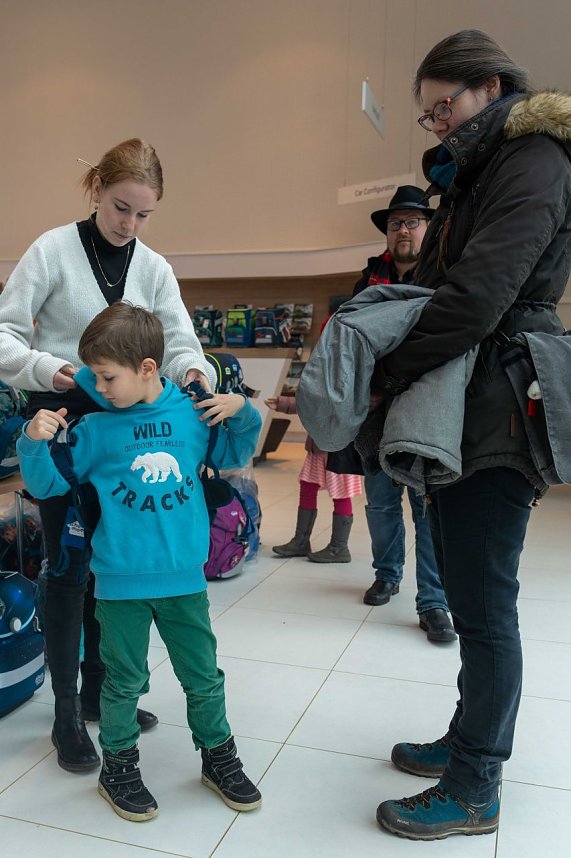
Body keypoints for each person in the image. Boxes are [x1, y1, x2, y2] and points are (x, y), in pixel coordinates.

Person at [372, 30, 571, 840]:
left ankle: (476, 782)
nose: (435, 125)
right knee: (457, 582)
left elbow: (478, 295)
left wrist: (388, 371)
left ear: (489, 87)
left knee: (484, 604)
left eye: (441, 107)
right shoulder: (482, 170)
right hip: (468, 394)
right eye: (425, 118)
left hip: (499, 396)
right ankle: (465, 740)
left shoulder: (535, 161)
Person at [0, 139, 216, 773]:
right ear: (97, 189)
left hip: (130, 432)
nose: (129, 224)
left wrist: (197, 376)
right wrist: (53, 367)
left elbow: (178, 341)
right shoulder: (51, 250)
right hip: (64, 419)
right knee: (68, 565)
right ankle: (66, 712)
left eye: (143, 214)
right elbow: (4, 334)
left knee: (113, 563)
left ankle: (100, 688)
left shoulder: (152, 266)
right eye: (121, 207)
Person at [17, 303, 263, 822]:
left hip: (184, 582)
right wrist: (32, 442)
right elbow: (48, 486)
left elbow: (237, 449)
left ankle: (218, 756)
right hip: (119, 582)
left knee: (203, 677)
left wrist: (242, 409)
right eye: (97, 377)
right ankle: (120, 767)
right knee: (122, 680)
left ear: (148, 369)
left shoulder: (192, 415)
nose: (99, 388)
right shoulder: (94, 430)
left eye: (108, 377)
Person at [354, 186, 456, 644]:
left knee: (426, 507)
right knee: (379, 502)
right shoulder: (367, 280)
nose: (404, 229)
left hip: (423, 410)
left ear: (428, 227)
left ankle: (433, 601)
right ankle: (387, 574)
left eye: (413, 221)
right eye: (396, 222)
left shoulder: (444, 277)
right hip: (374, 412)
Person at [266, 394, 362, 563]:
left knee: (341, 494)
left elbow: (323, 400)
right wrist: (285, 403)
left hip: (340, 446)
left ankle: (339, 548)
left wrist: (286, 403)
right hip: (320, 442)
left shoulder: (347, 370)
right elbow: (316, 399)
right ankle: (301, 542)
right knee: (308, 485)